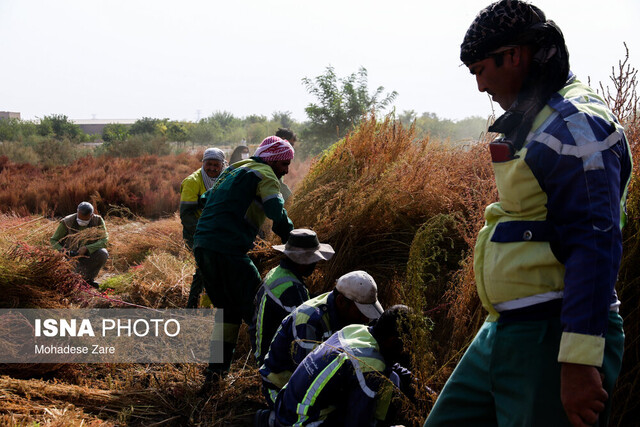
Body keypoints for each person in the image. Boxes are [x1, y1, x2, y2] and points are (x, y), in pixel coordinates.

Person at [424, 1, 633, 426]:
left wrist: (578, 360)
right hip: (505, 329)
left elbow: (594, 241)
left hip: (551, 336)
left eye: (482, 70)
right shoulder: (538, 119)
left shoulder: (575, 126)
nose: (481, 86)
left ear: (515, 56)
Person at [194, 136, 295, 380]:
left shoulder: (232, 171)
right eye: (284, 164)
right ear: (273, 161)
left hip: (203, 245)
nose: (287, 170)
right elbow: (275, 211)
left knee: (226, 312)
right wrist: (293, 239)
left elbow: (206, 200)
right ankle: (273, 374)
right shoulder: (266, 175)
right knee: (259, 309)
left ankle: (215, 373)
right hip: (228, 248)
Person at [267, 305, 412, 427]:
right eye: (406, 346)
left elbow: (393, 367)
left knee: (392, 377)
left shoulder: (356, 331)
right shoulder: (371, 365)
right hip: (300, 422)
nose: (407, 352)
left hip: (285, 406)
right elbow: (357, 423)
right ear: (393, 341)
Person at [259, 270, 383, 409]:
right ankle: (269, 419)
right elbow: (307, 378)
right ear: (341, 301)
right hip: (282, 386)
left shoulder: (347, 314)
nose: (366, 319)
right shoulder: (309, 320)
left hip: (316, 379)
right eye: (361, 312)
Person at [250, 228, 335, 365]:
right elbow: (304, 329)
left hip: (261, 348)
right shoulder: (293, 289)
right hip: (271, 360)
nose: (315, 264)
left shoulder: (277, 272)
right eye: (313, 260)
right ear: (302, 261)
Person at [181, 147, 226, 308]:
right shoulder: (192, 182)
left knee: (214, 268)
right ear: (203, 163)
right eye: (209, 164)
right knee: (204, 267)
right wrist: (203, 235)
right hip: (197, 232)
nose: (212, 168)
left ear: (223, 165)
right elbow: (186, 215)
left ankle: (208, 303)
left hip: (218, 232)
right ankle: (192, 305)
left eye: (216, 165)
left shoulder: (225, 179)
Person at [50, 201, 108, 288]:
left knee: (103, 253)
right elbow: (53, 240)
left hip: (88, 256)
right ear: (77, 212)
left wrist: (87, 248)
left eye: (85, 219)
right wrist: (65, 252)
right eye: (80, 219)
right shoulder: (67, 222)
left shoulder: (98, 220)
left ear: (91, 215)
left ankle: (89, 279)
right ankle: (76, 279)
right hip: (70, 257)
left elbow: (105, 239)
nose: (82, 221)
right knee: (72, 280)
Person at [274, 128, 297, 202]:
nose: (292, 148)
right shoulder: (272, 158)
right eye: (291, 144)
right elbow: (278, 184)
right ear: (283, 140)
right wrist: (292, 200)